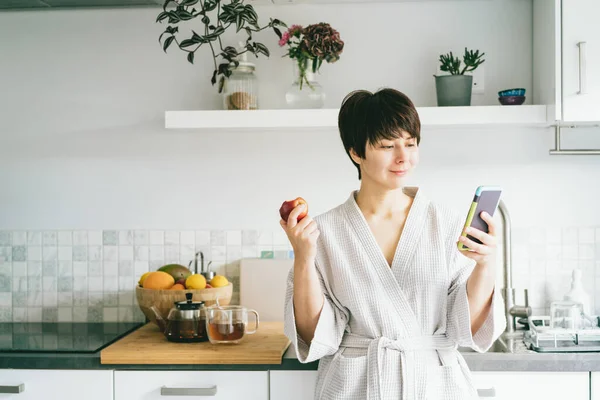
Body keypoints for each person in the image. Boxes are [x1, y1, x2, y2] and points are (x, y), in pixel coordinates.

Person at [280, 88, 506, 399]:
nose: (403, 158)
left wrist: (486, 264)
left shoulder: (446, 224)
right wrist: (303, 257)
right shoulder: (324, 231)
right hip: (357, 386)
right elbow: (315, 335)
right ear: (355, 152)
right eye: (388, 146)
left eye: (411, 144)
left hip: (435, 385)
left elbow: (466, 328)